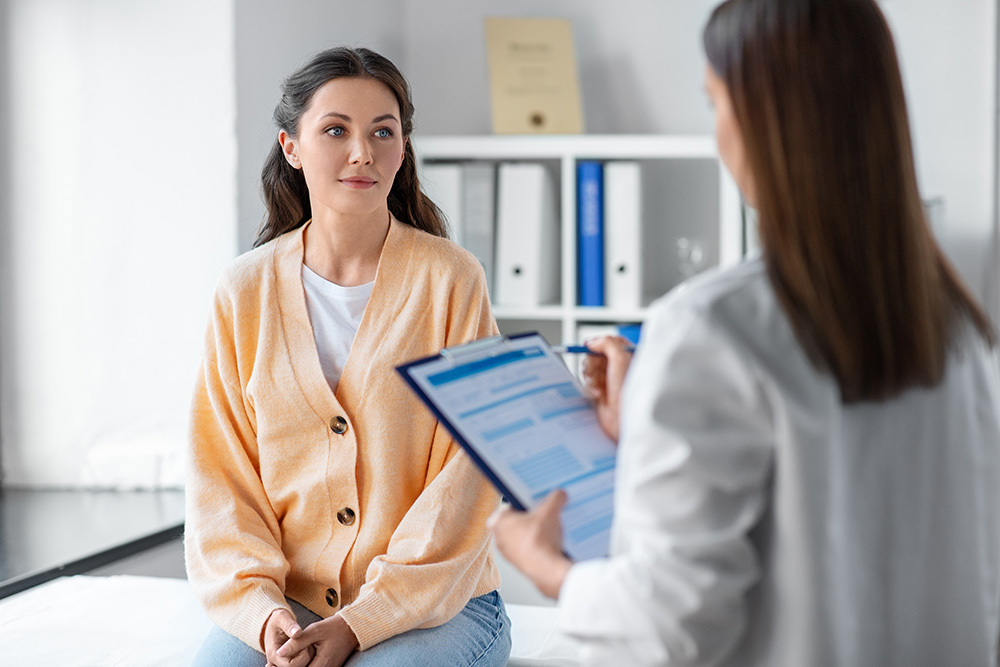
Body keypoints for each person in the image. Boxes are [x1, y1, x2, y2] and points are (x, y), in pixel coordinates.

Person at [491, 1, 1000, 665]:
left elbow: (668, 627)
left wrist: (549, 569)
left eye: (714, 102)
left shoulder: (709, 327)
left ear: (762, 119)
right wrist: (647, 427)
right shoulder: (955, 325)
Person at [185, 46, 511, 667]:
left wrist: (361, 624)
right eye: (335, 130)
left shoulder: (451, 280)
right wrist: (262, 614)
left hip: (437, 603)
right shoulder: (243, 290)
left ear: (402, 150)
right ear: (291, 147)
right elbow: (220, 476)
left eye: (382, 132)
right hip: (289, 600)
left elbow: (469, 472)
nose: (362, 152)